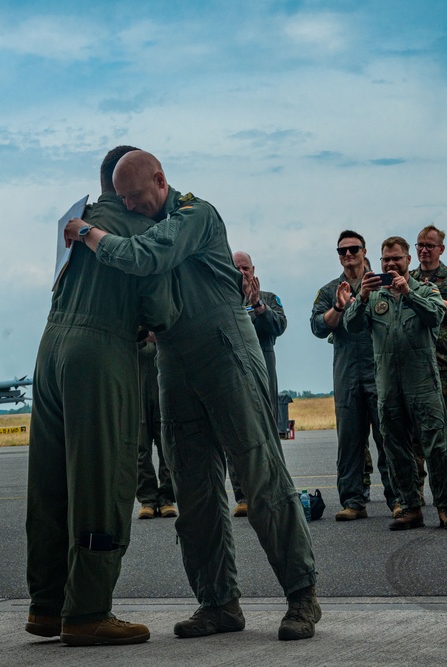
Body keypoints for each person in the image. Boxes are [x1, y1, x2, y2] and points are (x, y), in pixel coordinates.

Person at [66, 149, 320, 641]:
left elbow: (149, 257)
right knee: (192, 489)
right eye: (123, 201)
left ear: (160, 180)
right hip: (175, 362)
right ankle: (218, 602)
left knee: (260, 475)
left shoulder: (194, 215)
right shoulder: (143, 223)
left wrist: (86, 232)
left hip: (226, 351)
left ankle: (302, 595)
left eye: (136, 197)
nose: (132, 207)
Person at [25, 145, 180, 646]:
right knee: (104, 479)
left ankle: (47, 606)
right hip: (101, 350)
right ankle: (88, 610)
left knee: (51, 483)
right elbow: (160, 311)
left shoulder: (78, 219)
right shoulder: (140, 227)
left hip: (50, 350)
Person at [344, 236, 447, 531]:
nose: (391, 264)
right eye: (386, 260)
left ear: (408, 261)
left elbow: (436, 316)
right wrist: (360, 298)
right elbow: (351, 325)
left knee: (436, 444)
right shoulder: (373, 296)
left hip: (422, 381)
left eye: (396, 259)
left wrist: (409, 293)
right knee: (395, 446)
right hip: (388, 384)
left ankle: (446, 506)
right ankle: (410, 507)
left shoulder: (426, 289)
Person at [310, 231, 395, 521]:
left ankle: (399, 500)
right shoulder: (330, 290)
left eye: (353, 249)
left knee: (388, 438)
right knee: (349, 440)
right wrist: (338, 307)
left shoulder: (382, 284)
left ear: (364, 250)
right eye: (342, 251)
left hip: (379, 368)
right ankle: (353, 501)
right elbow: (318, 327)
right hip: (346, 371)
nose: (348, 255)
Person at [228, 250, 288, 517]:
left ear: (254, 270)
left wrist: (257, 305)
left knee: (267, 432)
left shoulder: (269, 298)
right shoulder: (223, 299)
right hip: (231, 372)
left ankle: (273, 490)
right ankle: (243, 496)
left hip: (263, 370)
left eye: (246, 268)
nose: (242, 273)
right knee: (235, 435)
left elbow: (279, 326)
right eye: (237, 268)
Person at [411, 226, 447, 507]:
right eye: (420, 244)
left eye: (430, 245)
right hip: (417, 364)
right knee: (416, 431)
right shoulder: (407, 279)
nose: (424, 250)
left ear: (441, 249)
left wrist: (431, 300)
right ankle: (416, 488)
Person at [135, 333, 177, 520]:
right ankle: (147, 500)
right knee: (140, 448)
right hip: (139, 389)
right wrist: (143, 337)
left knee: (166, 446)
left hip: (165, 388)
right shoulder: (135, 318)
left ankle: (167, 498)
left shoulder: (164, 316)